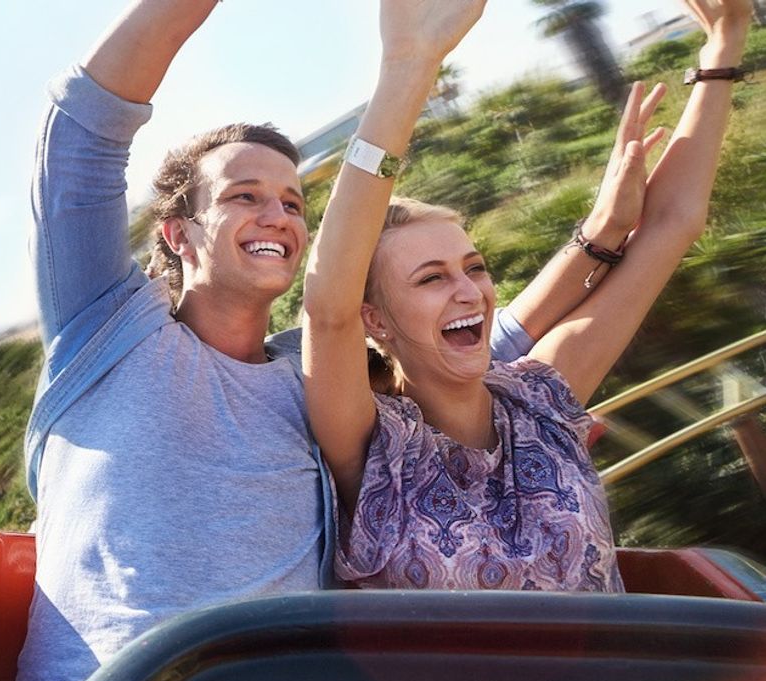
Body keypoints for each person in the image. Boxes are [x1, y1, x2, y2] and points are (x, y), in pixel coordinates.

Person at [17, 0, 660, 681]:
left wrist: (599, 231)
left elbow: (468, 344)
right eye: (244, 196)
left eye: (293, 203)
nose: (278, 215)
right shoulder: (108, 330)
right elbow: (81, 130)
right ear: (177, 233)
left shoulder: (312, 373)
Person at [301, 0, 753, 591]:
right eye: (431, 278)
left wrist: (723, 47)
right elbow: (326, 308)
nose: (469, 292)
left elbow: (671, 227)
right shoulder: (372, 445)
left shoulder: (541, 396)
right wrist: (408, 69)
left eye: (475, 267)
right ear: (374, 320)